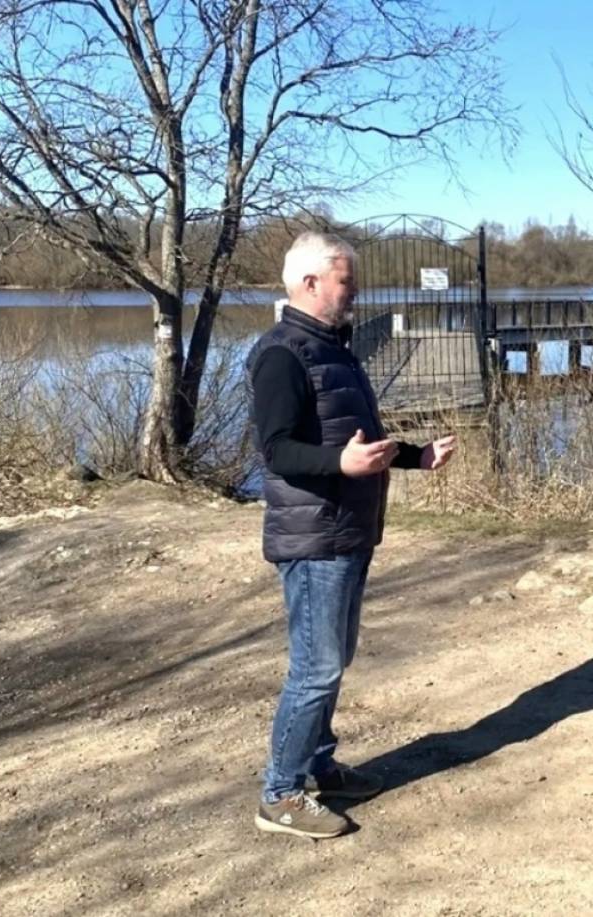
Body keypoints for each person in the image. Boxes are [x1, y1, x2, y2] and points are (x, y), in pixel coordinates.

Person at [246, 231, 456, 839]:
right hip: (314, 539)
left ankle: (319, 767)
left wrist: (415, 457)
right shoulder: (283, 353)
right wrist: (340, 466)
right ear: (309, 283)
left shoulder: (333, 348)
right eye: (347, 282)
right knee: (315, 668)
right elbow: (279, 451)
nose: (355, 293)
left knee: (334, 662)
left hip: (348, 532)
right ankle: (279, 795)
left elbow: (358, 438)